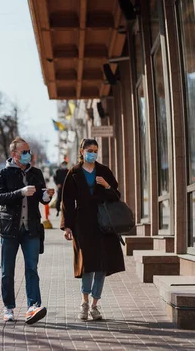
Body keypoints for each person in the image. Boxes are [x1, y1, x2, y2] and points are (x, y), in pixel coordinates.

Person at [60, 138, 125, 321]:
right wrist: (67, 226)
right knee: (87, 264)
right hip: (83, 224)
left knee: (102, 266)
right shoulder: (74, 172)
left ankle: (95, 306)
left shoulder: (104, 171)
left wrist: (106, 185)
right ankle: (84, 302)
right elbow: (67, 202)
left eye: (95, 150)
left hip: (104, 224)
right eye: (89, 150)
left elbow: (115, 196)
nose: (93, 153)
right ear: (82, 151)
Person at [0, 137, 55, 324]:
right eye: (24, 152)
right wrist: (20, 192)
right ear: (14, 155)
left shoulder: (36, 173)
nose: (28, 154)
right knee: (7, 271)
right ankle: (8, 307)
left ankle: (33, 306)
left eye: (29, 151)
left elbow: (41, 198)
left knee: (32, 268)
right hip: (9, 229)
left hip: (31, 228)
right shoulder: (4, 173)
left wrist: (46, 196)